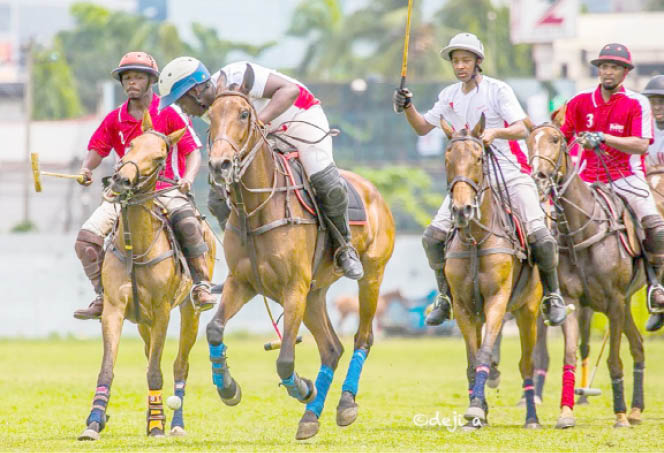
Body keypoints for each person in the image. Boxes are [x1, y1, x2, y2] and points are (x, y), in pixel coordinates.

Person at [392, 32, 568, 327]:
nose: (460, 66)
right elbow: (423, 127)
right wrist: (407, 107)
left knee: (541, 236)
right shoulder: (448, 96)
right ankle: (445, 296)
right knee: (432, 238)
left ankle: (553, 295)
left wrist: (495, 133)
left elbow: (521, 129)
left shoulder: (498, 91)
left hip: (508, 175)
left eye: (466, 60)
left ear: (478, 62)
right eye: (456, 61)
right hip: (469, 181)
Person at [157, 57, 364, 280]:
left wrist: (257, 124)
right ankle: (245, 258)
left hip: (299, 118)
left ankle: (345, 248)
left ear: (195, 91)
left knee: (326, 183)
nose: (181, 109)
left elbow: (290, 90)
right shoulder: (213, 111)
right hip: (264, 137)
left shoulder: (237, 74)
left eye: (179, 101)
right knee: (217, 199)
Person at [73, 52, 215, 320]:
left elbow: (193, 151)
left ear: (151, 80)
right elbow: (97, 148)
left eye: (138, 77)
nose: (132, 83)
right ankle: (104, 294)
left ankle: (200, 285)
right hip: (123, 193)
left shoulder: (170, 111)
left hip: (165, 189)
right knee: (85, 241)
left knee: (188, 223)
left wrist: (187, 178)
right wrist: (86, 169)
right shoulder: (115, 118)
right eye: (127, 78)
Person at [560, 44, 664, 330]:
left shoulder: (636, 103)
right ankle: (552, 289)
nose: (608, 71)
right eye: (604, 66)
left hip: (626, 177)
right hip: (587, 179)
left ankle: (655, 287)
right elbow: (563, 137)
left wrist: (603, 138)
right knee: (551, 221)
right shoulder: (580, 101)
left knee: (655, 225)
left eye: (615, 67)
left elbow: (641, 144)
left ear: (625, 72)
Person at [642, 74, 664, 331]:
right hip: (649, 189)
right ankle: (656, 294)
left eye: (661, 102)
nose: (657, 107)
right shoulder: (644, 129)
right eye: (654, 102)